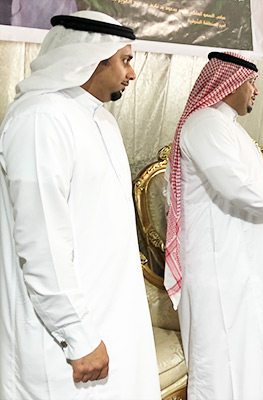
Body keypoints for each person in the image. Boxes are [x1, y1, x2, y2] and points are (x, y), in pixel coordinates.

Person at [0, 11, 160, 399]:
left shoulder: (100, 119)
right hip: (66, 338)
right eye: (125, 60)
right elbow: (40, 242)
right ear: (90, 59)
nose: (132, 73)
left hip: (112, 315)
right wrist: (78, 334)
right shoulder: (40, 118)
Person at [164, 52, 263, 400]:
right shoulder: (204, 124)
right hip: (219, 264)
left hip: (239, 260)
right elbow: (234, 188)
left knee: (249, 348)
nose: (256, 90)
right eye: (251, 82)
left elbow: (250, 188)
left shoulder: (227, 126)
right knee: (222, 357)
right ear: (229, 84)